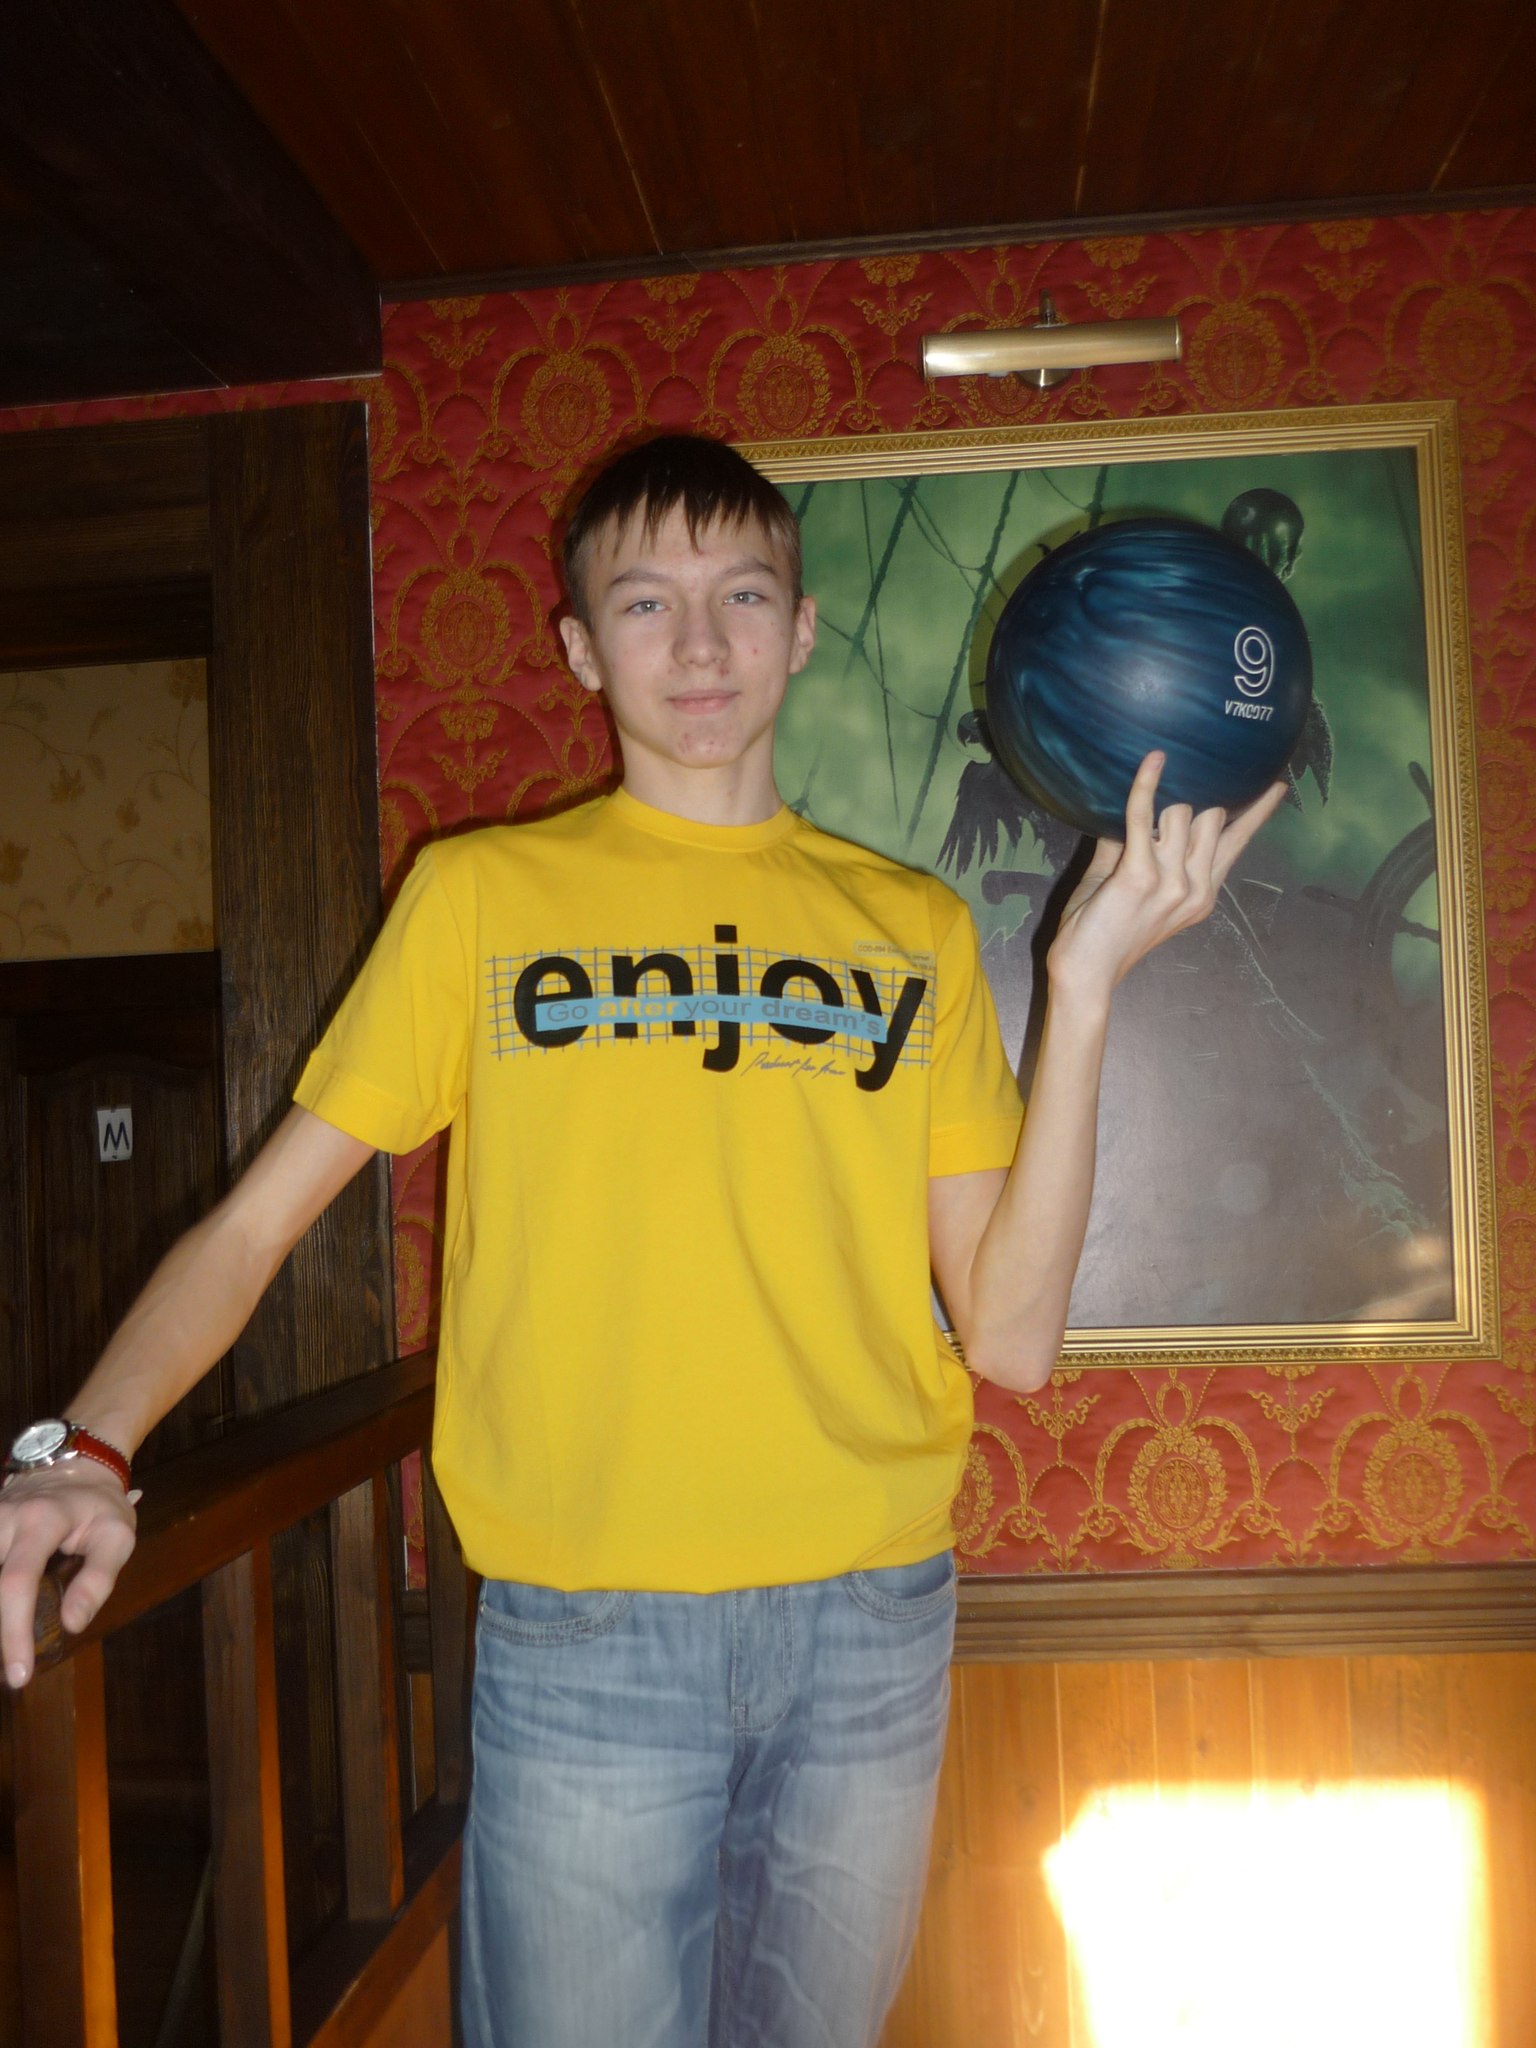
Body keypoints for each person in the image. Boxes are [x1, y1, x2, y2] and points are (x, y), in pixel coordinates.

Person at [0, 434, 1282, 2047]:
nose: (699, 644)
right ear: (580, 648)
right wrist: (90, 1445)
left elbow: (1014, 1340)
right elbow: (255, 1222)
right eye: (646, 601)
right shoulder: (481, 897)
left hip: (870, 1623)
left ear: (799, 631)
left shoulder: (916, 928)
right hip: (588, 1632)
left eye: (741, 596)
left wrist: (1082, 993)